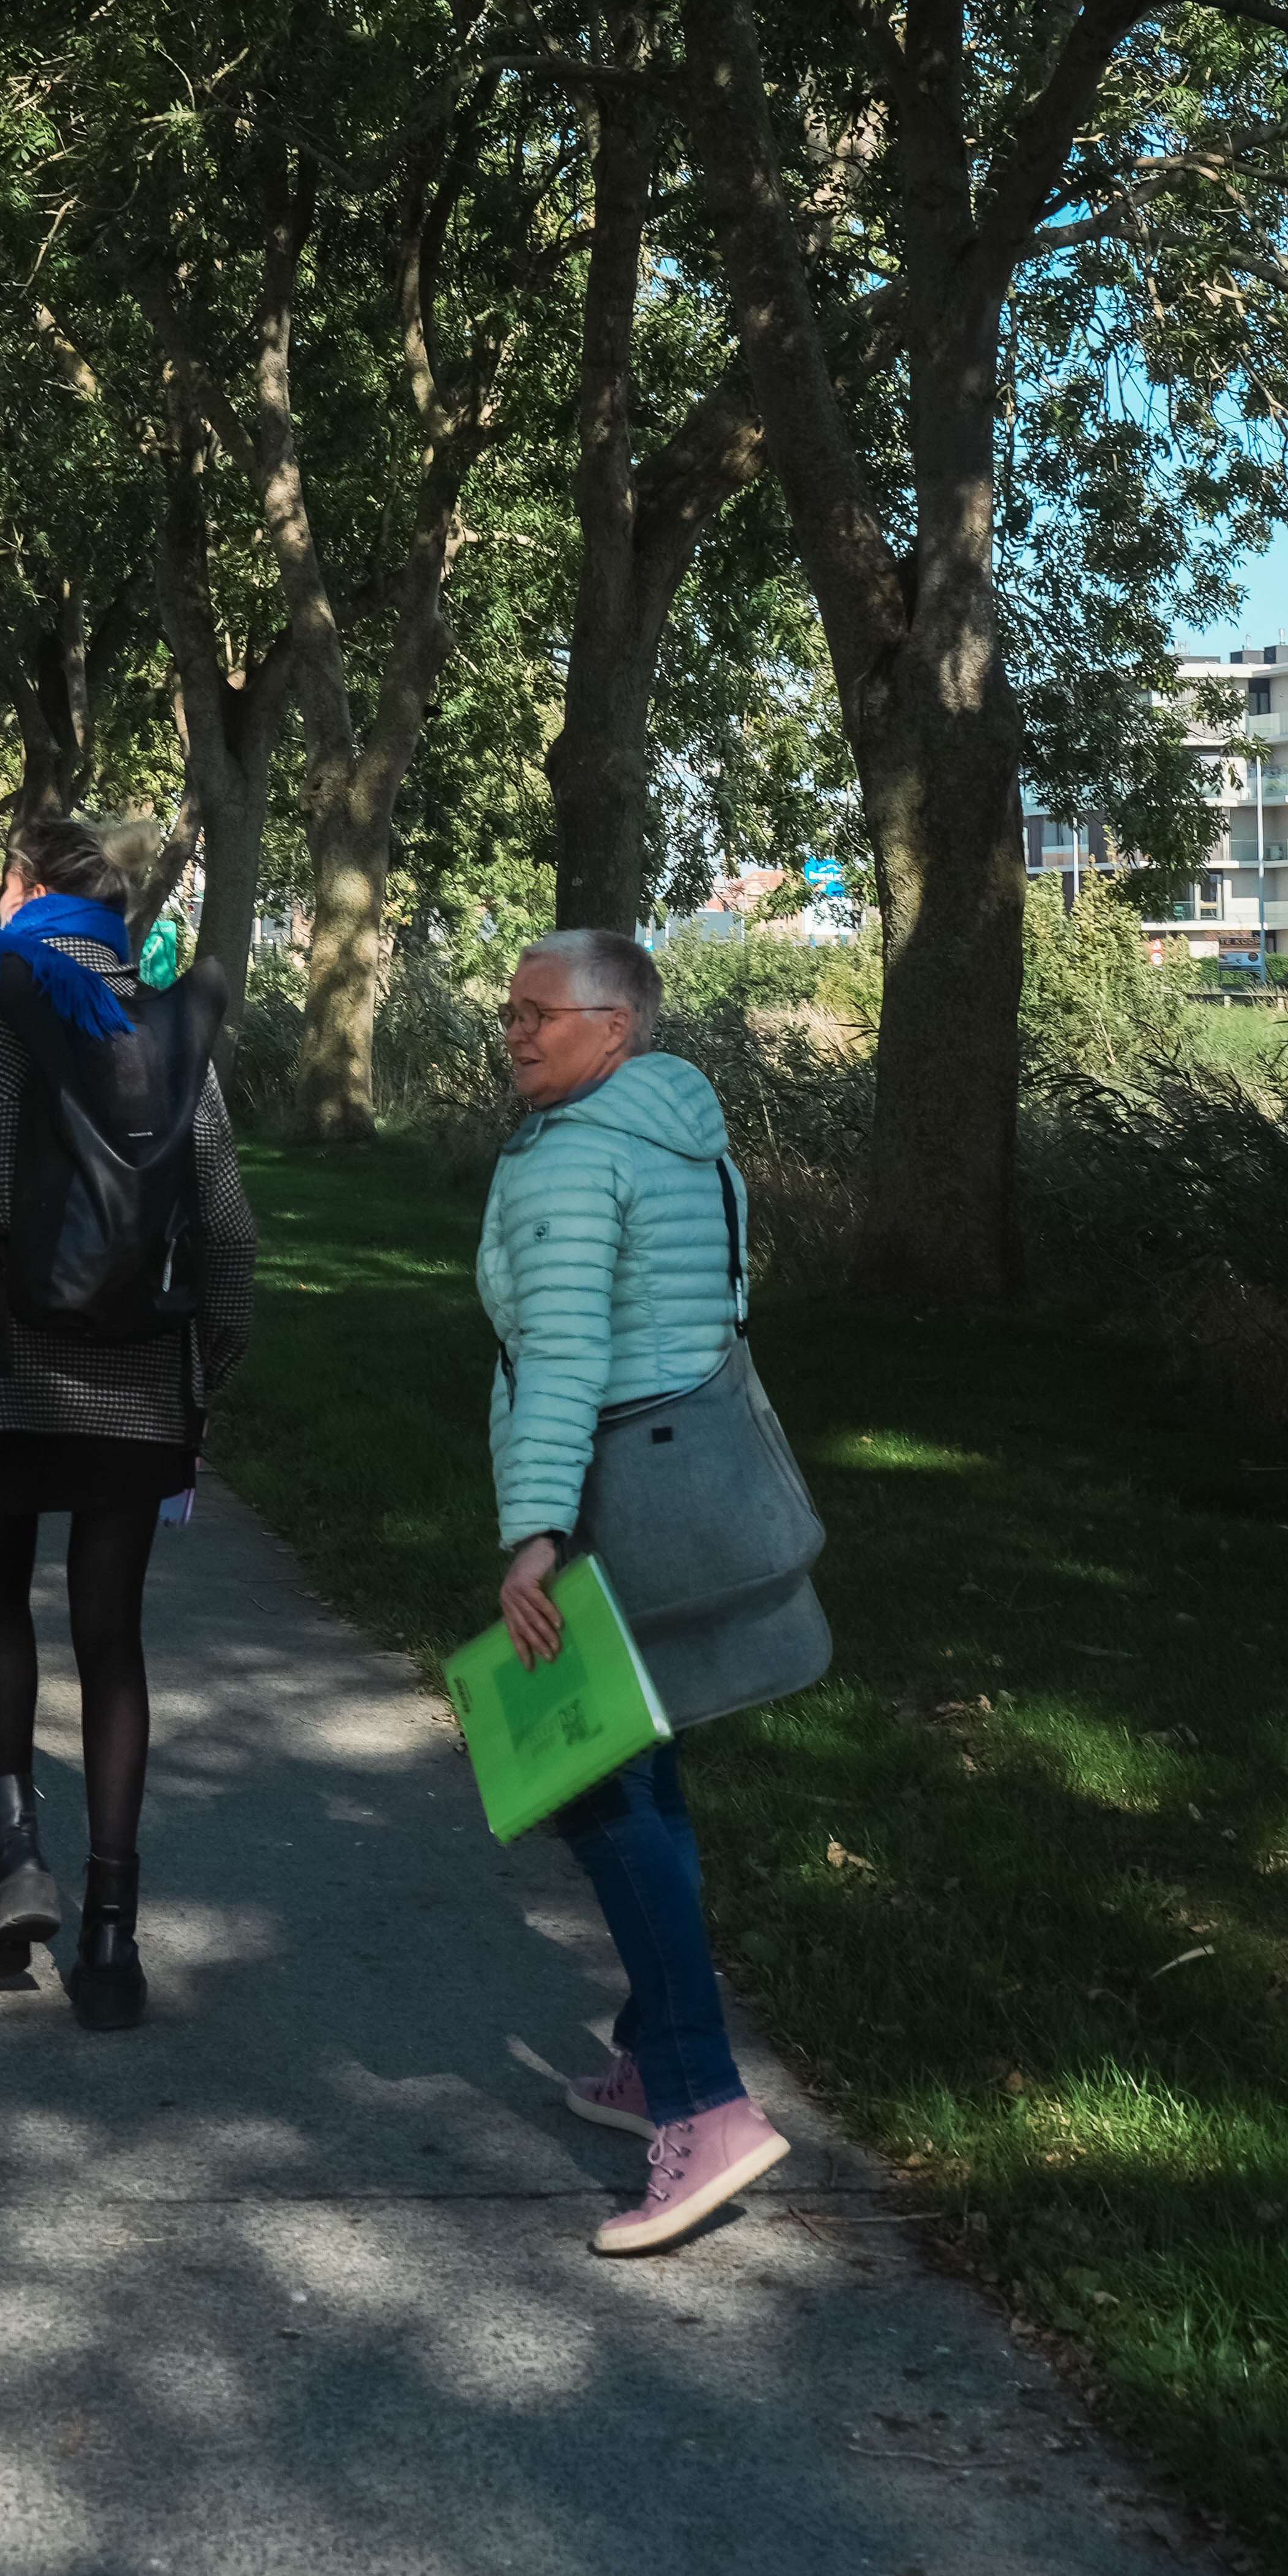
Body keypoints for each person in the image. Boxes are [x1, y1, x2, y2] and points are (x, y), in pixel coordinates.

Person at [0, 813, 254, 2030]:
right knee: (111, 1637)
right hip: (141, 1383)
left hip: (1, 1373)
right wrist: (204, 1383)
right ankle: (113, 1936)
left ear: (23, 892)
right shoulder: (169, 1027)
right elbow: (227, 1233)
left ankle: (13, 1864)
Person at [478, 926, 791, 2253]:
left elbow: (561, 1354)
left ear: (614, 1027)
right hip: (686, 1482)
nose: (514, 1032)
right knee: (648, 1777)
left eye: (539, 1014)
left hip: (605, 1492)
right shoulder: (687, 1132)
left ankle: (707, 2107)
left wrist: (534, 1534)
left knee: (600, 1789)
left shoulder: (574, 1153)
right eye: (509, 1012)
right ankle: (652, 2059)